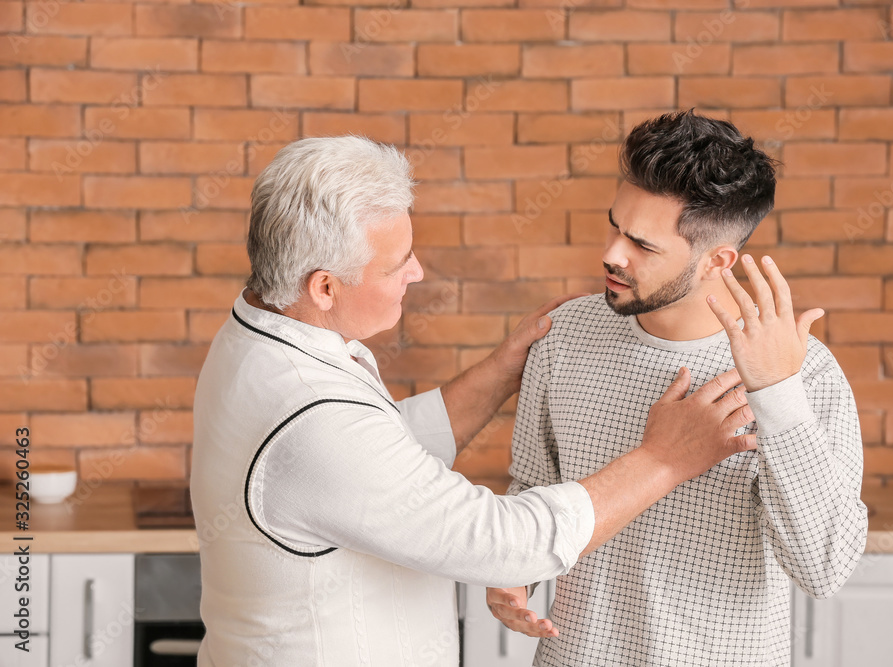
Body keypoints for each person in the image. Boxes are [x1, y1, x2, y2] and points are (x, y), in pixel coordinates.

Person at [189, 135, 760, 666]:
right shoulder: (314, 413)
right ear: (325, 287)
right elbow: (506, 543)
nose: (416, 272)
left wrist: (501, 369)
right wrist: (664, 458)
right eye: (396, 264)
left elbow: (379, 448)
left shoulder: (258, 330)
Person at [486, 111, 868, 666]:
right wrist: (512, 575)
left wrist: (776, 392)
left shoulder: (802, 374)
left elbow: (825, 569)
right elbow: (534, 487)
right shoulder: (564, 333)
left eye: (642, 244)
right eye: (615, 226)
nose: (613, 254)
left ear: (718, 260)